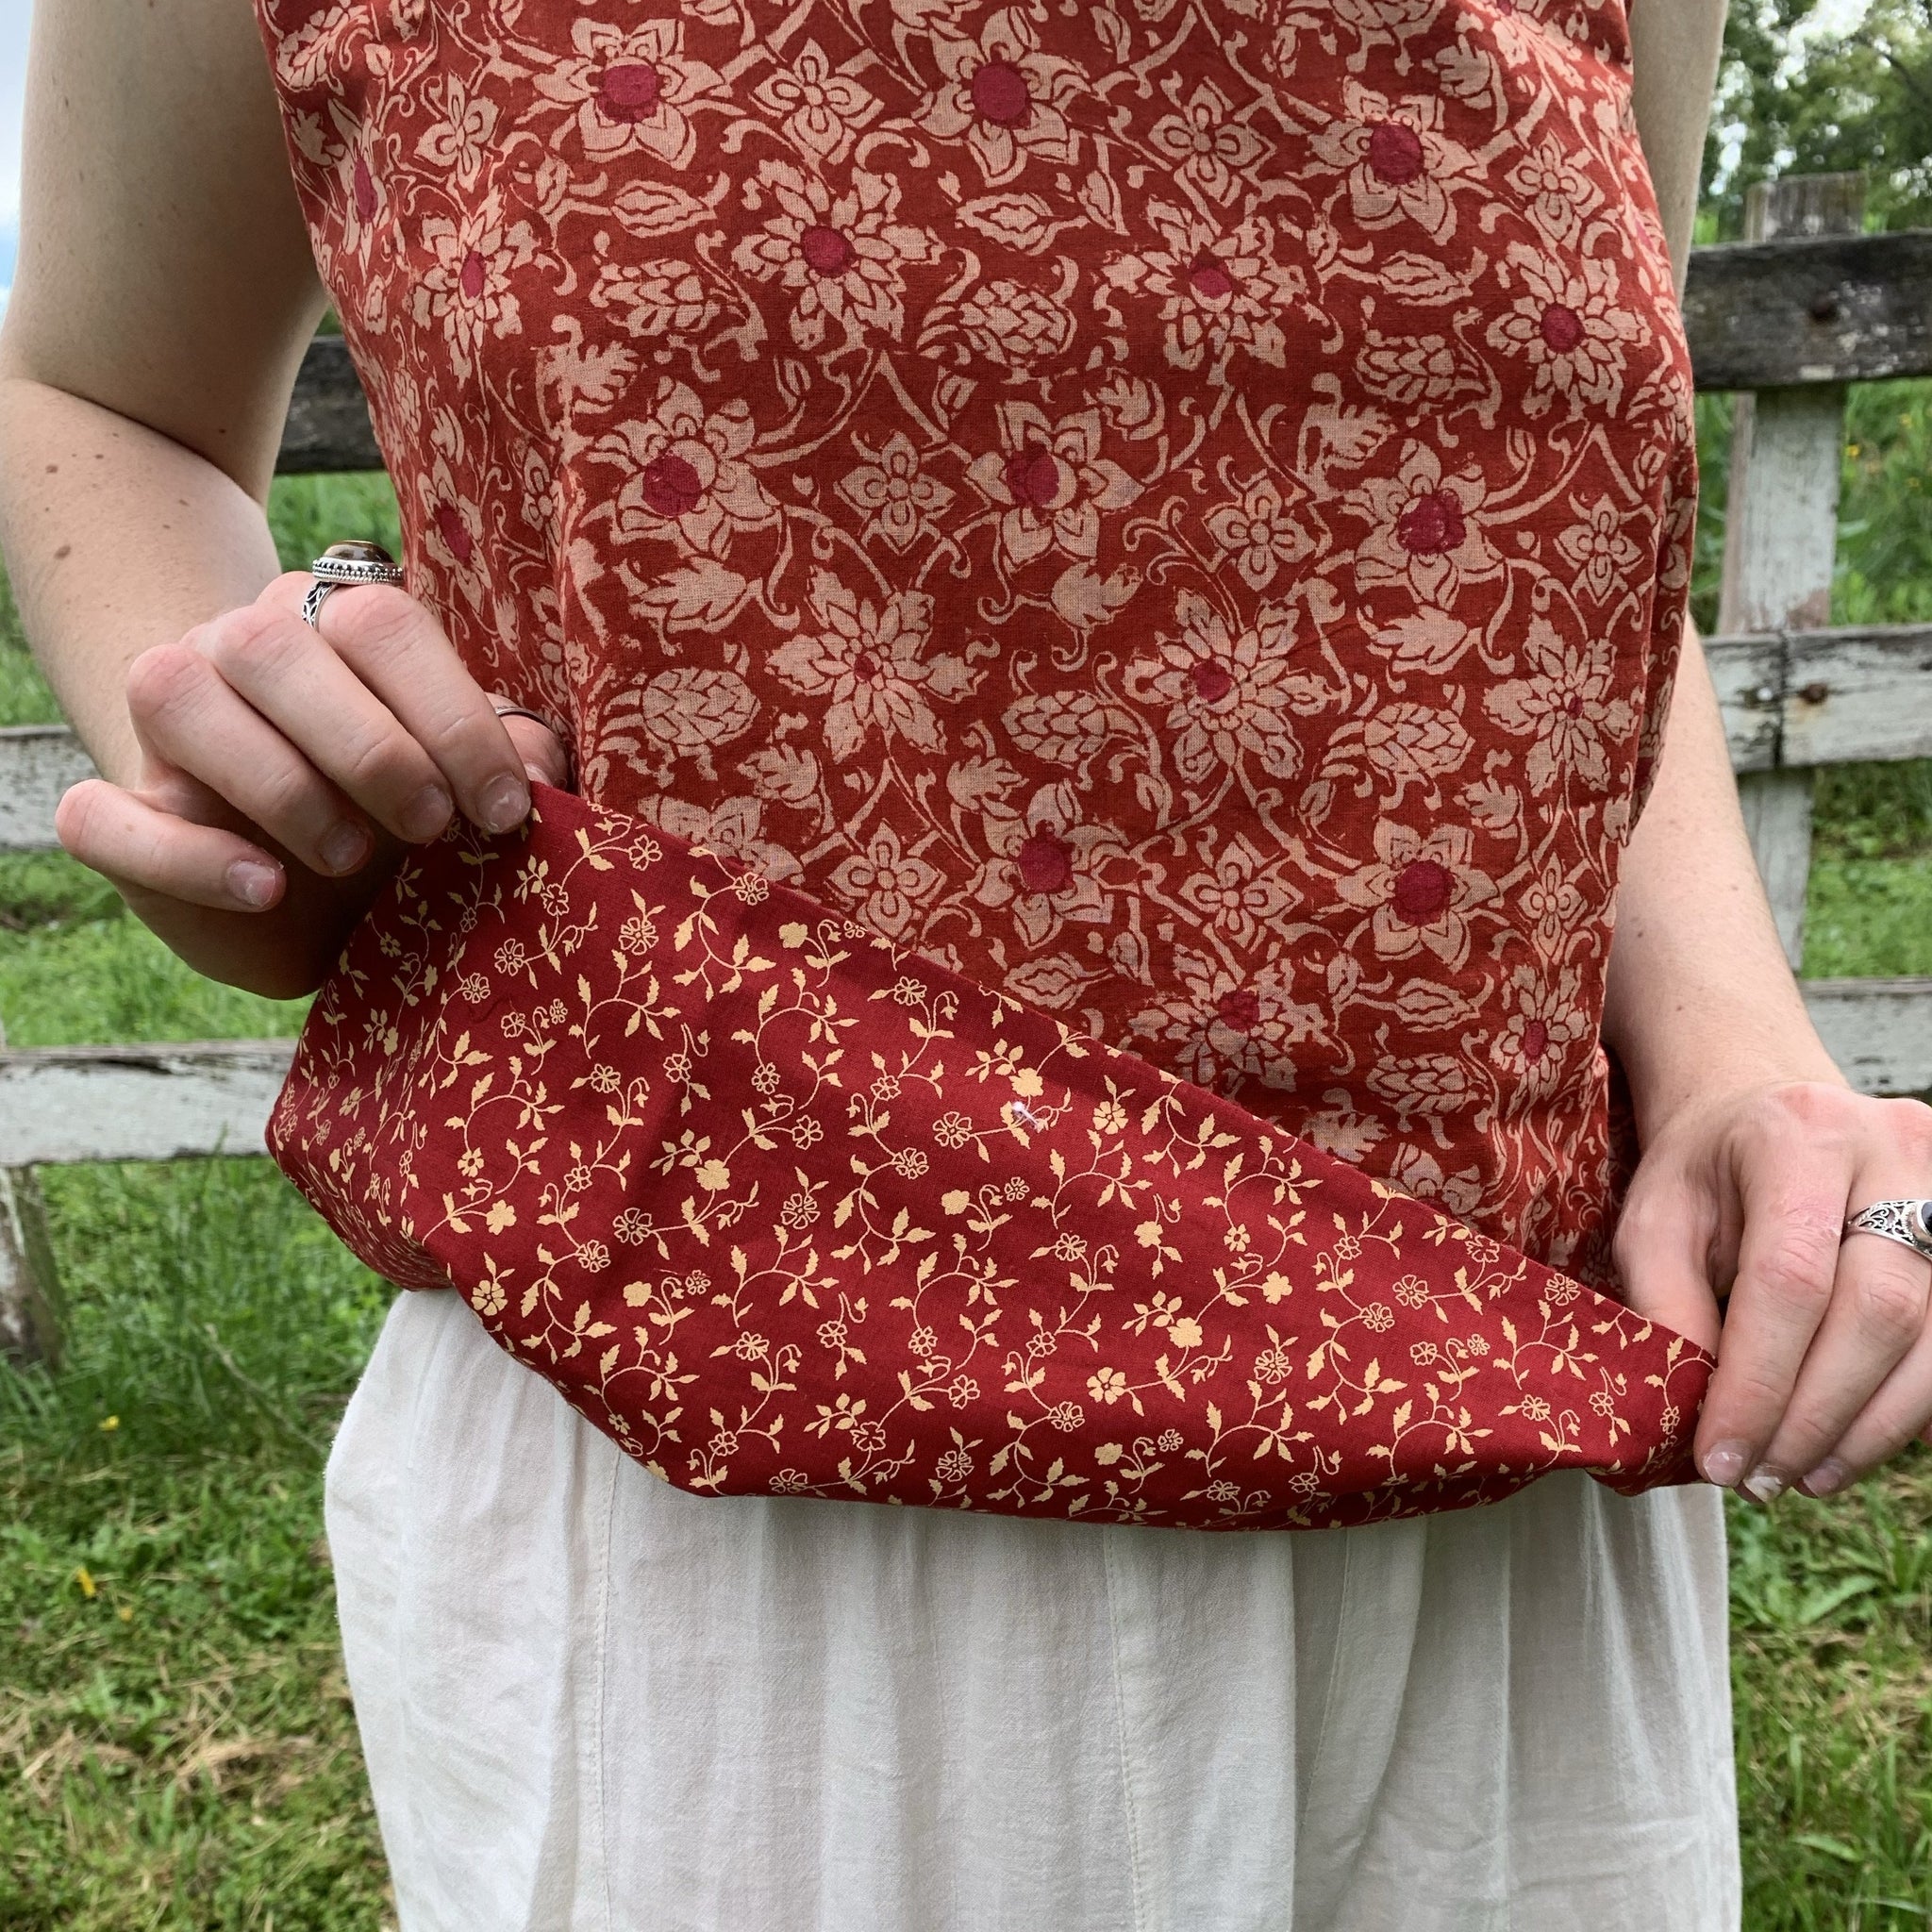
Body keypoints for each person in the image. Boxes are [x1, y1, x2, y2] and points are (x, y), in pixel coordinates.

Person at [4, 0, 1929, 1924]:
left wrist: (1736, 1050)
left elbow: (1566, 536)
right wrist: (265, 747)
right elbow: (97, 390)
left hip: (1491, 1467)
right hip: (717, 1500)